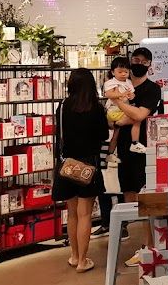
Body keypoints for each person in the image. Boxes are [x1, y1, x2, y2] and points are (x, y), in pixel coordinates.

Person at [51, 69, 108, 273]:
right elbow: (103, 135)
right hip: (88, 166)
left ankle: (74, 256)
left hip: (68, 165)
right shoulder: (97, 108)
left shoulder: (63, 106)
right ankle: (84, 261)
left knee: (72, 213)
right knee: (85, 215)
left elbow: (60, 134)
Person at [110, 53, 163, 265]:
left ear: (150, 64)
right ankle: (142, 246)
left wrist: (119, 104)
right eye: (135, 60)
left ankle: (148, 247)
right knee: (129, 195)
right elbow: (114, 118)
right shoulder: (123, 86)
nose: (138, 64)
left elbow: (140, 116)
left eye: (143, 61)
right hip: (123, 150)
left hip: (144, 150)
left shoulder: (152, 88)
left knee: (145, 198)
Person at [105, 57, 143, 155]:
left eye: (126, 72)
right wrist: (121, 94)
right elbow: (108, 94)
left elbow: (132, 94)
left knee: (116, 135)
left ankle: (110, 154)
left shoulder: (129, 82)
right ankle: (135, 142)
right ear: (113, 72)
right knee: (137, 119)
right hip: (114, 111)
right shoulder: (110, 83)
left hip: (123, 110)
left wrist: (131, 96)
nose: (123, 74)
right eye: (120, 72)